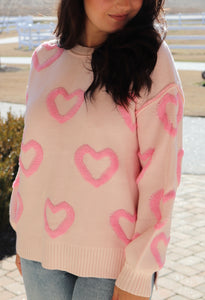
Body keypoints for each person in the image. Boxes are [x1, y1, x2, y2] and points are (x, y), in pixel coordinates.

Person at [9, 0, 185, 299]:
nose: (125, 3)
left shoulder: (151, 60)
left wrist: (139, 273)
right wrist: (23, 236)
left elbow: (161, 179)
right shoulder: (44, 59)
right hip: (37, 252)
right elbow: (33, 157)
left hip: (112, 266)